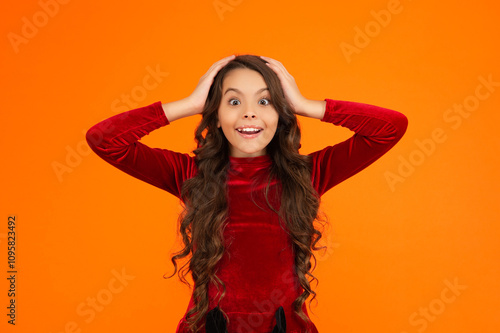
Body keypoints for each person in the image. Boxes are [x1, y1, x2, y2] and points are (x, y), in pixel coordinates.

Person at [86, 54, 408, 333]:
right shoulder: (191, 174)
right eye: (234, 101)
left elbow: (391, 128)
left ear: (281, 113)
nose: (249, 113)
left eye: (265, 101)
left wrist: (307, 105)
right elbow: (104, 140)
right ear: (216, 113)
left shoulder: (309, 174)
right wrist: (189, 104)